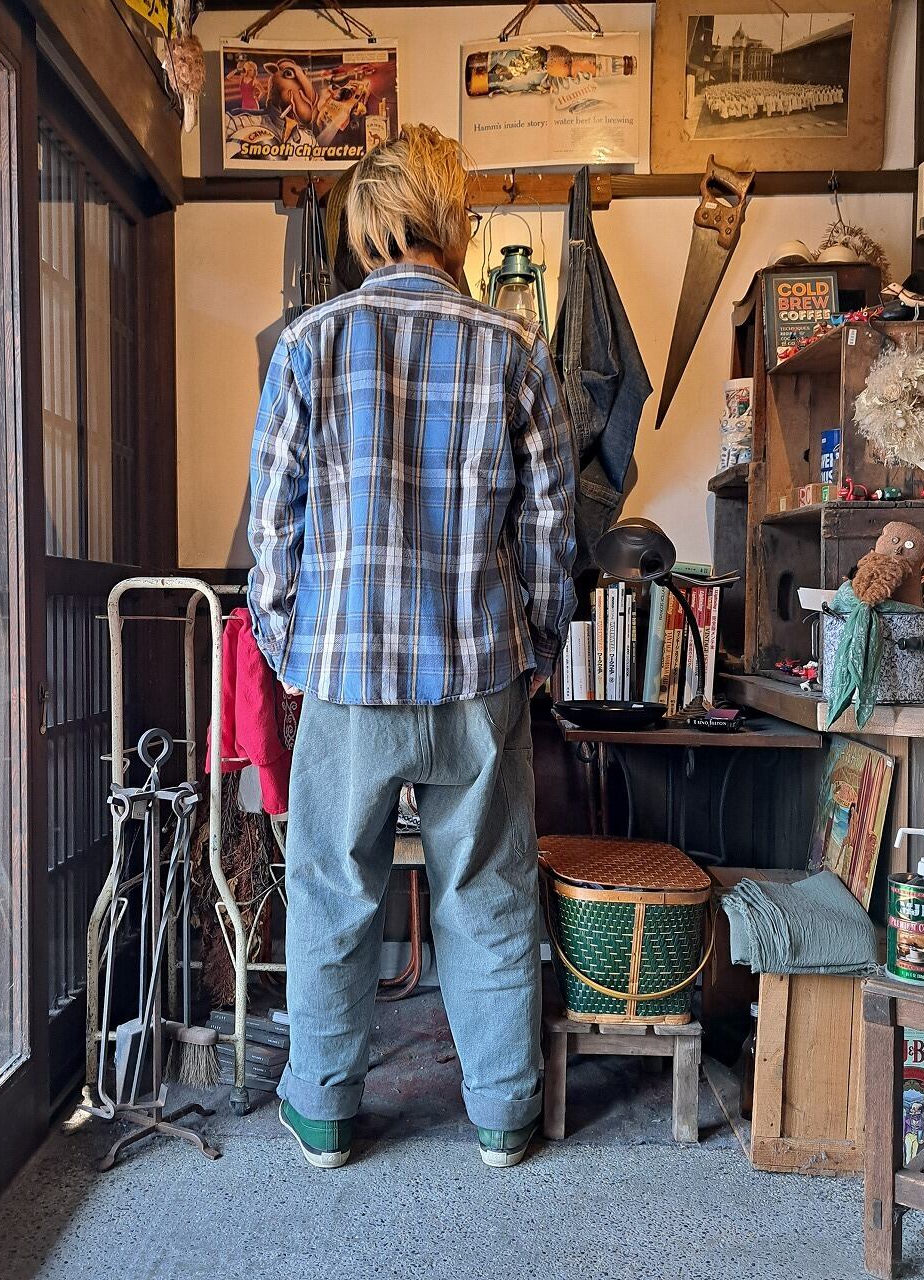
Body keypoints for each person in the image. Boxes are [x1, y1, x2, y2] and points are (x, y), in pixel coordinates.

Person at [248, 124, 576, 1171]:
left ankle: (326, 1113)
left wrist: (289, 647)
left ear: (367, 224)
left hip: (346, 675)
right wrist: (535, 644)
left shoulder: (309, 343)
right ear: (451, 218)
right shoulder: (514, 349)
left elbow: (272, 526)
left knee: (332, 888)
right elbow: (551, 528)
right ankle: (504, 1114)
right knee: (486, 888)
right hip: (478, 671)